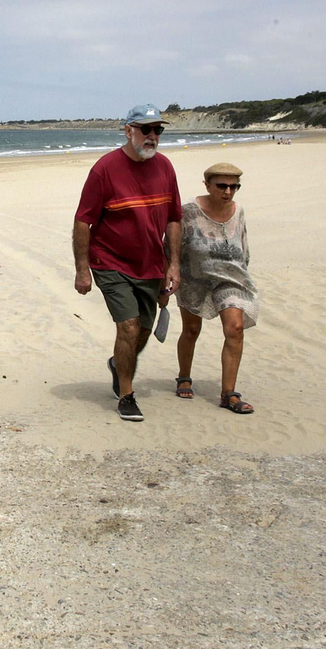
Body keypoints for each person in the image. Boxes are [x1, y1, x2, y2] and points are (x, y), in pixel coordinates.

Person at [73, 104, 182, 422]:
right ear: (128, 130)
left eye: (157, 130)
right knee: (128, 326)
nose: (151, 136)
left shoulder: (165, 168)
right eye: (145, 129)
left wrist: (173, 265)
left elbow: (174, 219)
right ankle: (126, 395)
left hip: (151, 264)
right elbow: (83, 221)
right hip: (110, 262)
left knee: (143, 332)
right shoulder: (105, 169)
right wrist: (83, 269)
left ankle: (117, 365)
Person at [174, 162, 258, 414]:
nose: (228, 192)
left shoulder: (239, 211)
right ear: (207, 185)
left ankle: (228, 394)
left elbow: (244, 246)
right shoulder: (188, 210)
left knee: (235, 328)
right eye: (222, 186)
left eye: (234, 187)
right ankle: (184, 376)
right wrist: (169, 274)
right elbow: (173, 244)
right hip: (194, 277)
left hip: (229, 279)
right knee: (191, 329)